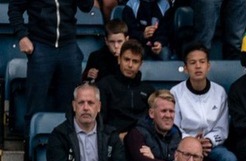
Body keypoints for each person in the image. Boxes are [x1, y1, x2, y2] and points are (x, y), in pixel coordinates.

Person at [9, 0, 93, 134]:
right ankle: (32, 149)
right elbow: (14, 9)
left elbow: (86, 6)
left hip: (68, 44)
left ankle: (67, 149)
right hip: (41, 45)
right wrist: (22, 36)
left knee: (69, 106)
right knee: (35, 106)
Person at [171, 42, 239, 161]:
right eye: (192, 62)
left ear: (208, 66)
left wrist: (209, 141)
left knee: (229, 160)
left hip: (211, 147)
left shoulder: (219, 92)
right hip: (184, 146)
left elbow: (222, 129)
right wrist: (191, 142)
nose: (198, 66)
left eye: (202, 62)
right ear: (185, 68)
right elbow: (174, 128)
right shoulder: (176, 92)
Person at [97, 40, 156, 138]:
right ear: (119, 59)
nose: (130, 65)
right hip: (113, 140)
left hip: (141, 139)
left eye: (135, 61)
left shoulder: (148, 90)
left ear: (141, 64)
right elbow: (100, 121)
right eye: (126, 59)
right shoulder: (105, 85)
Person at [83, 19, 128, 83]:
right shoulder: (96, 57)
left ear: (126, 40)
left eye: (120, 41)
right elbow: (85, 82)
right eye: (112, 42)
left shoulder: (130, 57)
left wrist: (120, 60)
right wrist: (88, 75)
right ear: (106, 41)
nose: (116, 46)